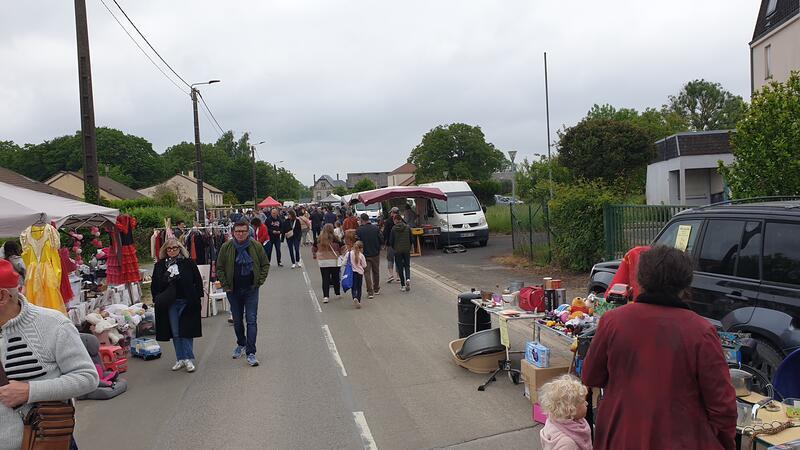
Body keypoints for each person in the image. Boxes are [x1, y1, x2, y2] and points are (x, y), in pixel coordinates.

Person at [582, 246, 737, 450]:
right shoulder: (701, 331)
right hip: (681, 439)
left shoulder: (612, 321)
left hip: (621, 435)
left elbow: (591, 376)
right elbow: (722, 406)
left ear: (640, 280)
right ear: (685, 284)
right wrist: (725, 442)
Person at [0, 259, 98, 450]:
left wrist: (29, 391)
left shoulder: (53, 324)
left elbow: (87, 378)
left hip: (45, 442)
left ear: (2, 296)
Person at [216, 219, 270, 367]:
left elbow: (265, 264)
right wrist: (226, 285)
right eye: (238, 231)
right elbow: (219, 267)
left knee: (251, 320)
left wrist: (259, 281)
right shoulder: (226, 247)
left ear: (248, 232)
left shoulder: (256, 246)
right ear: (233, 232)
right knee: (238, 320)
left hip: (251, 289)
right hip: (233, 290)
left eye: (243, 231)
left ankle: (251, 352)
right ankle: (241, 343)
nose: (240, 234)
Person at [151, 238, 204, 373]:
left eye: (175, 248)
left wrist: (199, 298)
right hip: (170, 303)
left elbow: (197, 280)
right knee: (175, 332)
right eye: (169, 248)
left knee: (186, 330)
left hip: (187, 301)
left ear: (180, 249)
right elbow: (155, 284)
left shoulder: (188, 263)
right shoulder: (160, 265)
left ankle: (188, 358)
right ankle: (180, 358)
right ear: (165, 250)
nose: (172, 251)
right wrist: (157, 296)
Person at [538, 375, 592, 450]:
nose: (587, 403)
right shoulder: (568, 444)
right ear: (571, 409)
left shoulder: (553, 421)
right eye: (583, 402)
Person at [312, 224, 342, 303]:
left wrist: (315, 255)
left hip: (323, 261)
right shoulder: (336, 239)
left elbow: (314, 248)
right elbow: (342, 247)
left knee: (325, 279)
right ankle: (337, 293)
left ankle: (326, 296)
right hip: (334, 261)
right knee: (336, 278)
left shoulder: (319, 239)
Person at [356, 213, 382, 299]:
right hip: (375, 253)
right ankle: (376, 289)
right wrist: (378, 247)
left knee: (367, 273)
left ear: (362, 220)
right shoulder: (376, 228)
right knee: (376, 271)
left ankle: (370, 292)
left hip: (365, 254)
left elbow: (357, 242)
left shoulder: (359, 230)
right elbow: (381, 239)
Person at [389, 214, 412, 292]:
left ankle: (403, 285)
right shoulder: (408, 227)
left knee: (400, 267)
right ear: (401, 220)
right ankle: (408, 279)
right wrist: (409, 247)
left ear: (395, 220)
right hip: (406, 250)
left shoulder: (393, 229)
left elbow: (391, 241)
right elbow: (411, 239)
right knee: (407, 265)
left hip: (397, 251)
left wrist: (394, 248)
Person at [347, 241, 367, 309]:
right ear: (361, 248)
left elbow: (344, 262)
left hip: (352, 272)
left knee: (353, 286)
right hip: (360, 273)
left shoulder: (349, 253)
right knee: (359, 287)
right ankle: (359, 300)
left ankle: (354, 297)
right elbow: (364, 265)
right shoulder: (361, 255)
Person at [383, 207, 399, 283]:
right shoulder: (401, 221)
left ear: (392, 212)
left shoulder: (388, 221)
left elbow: (385, 233)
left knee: (390, 259)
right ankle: (398, 276)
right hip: (399, 244)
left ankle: (391, 275)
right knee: (398, 259)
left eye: (391, 212)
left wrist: (384, 243)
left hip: (390, 243)